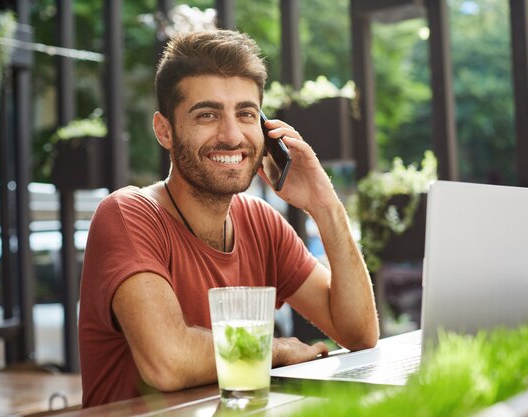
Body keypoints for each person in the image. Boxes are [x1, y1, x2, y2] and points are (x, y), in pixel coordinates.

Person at [78, 29, 379, 408]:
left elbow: (359, 333)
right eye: (207, 115)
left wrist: (325, 206)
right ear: (164, 130)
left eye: (246, 114)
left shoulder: (260, 222)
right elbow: (167, 362)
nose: (232, 135)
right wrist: (278, 350)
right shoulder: (128, 214)